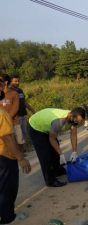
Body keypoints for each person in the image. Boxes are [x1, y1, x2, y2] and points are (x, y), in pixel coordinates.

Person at [0, 76, 31, 224]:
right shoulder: (1, 114)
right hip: (4, 155)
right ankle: (8, 217)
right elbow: (7, 137)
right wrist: (21, 158)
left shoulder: (12, 96)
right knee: (8, 186)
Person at [28, 107, 86, 187]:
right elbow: (52, 139)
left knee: (55, 151)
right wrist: (61, 154)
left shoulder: (73, 117)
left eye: (78, 122)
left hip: (47, 124)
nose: (76, 123)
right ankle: (50, 180)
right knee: (45, 154)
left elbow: (73, 134)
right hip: (36, 127)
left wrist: (74, 152)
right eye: (76, 121)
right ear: (71, 116)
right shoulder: (59, 122)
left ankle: (57, 170)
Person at [9, 75, 35, 152]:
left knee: (24, 133)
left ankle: (22, 150)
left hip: (23, 115)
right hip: (16, 117)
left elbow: (24, 102)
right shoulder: (10, 92)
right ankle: (19, 152)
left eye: (18, 81)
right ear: (11, 82)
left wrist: (33, 110)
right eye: (15, 81)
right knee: (18, 135)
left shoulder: (20, 90)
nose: (17, 82)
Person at [0, 75, 22, 152]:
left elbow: (15, 108)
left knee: (19, 140)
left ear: (5, 82)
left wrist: (7, 119)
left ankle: (20, 155)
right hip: (3, 124)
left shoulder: (14, 93)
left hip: (14, 121)